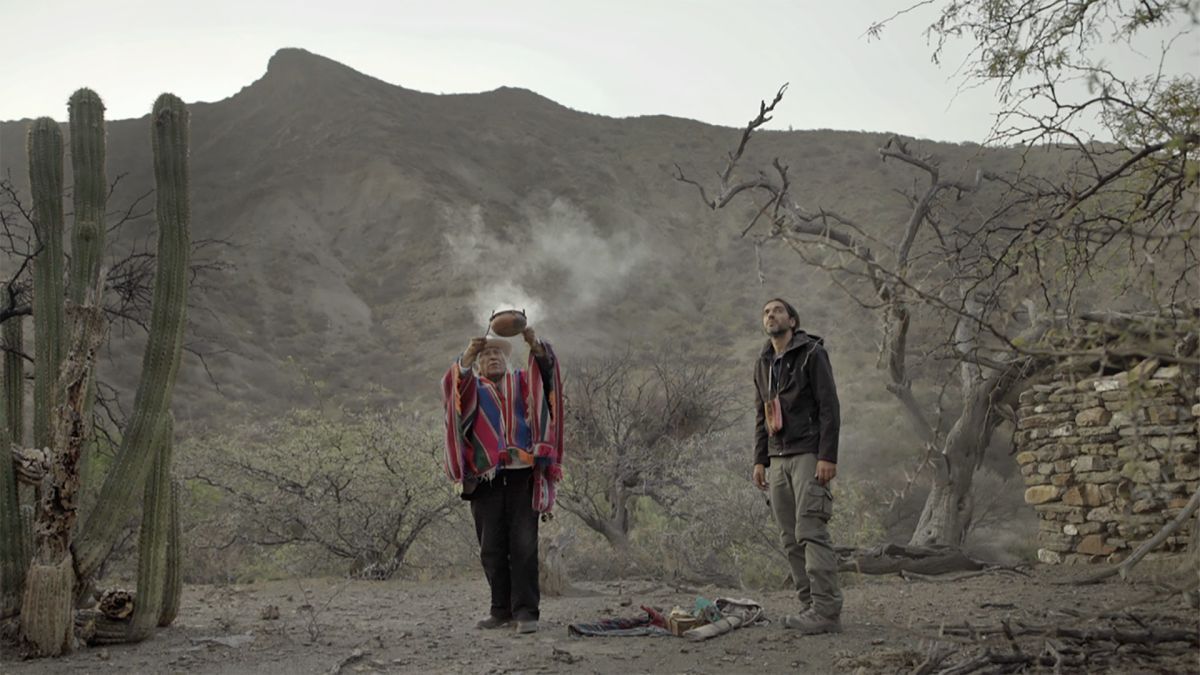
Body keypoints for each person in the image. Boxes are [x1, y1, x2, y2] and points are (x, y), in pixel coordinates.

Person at [442, 326, 563, 635]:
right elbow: (453, 388)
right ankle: (500, 610)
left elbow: (547, 378)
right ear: (479, 363)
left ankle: (526, 613)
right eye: (486, 355)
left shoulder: (523, 382)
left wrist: (535, 344)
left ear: (506, 359)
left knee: (523, 546)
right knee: (491, 548)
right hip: (485, 479)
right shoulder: (472, 388)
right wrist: (467, 355)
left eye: (497, 353)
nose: (493, 357)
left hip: (522, 475)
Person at [752, 298, 843, 634]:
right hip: (777, 457)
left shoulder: (812, 353)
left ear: (792, 320)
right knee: (789, 537)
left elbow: (829, 407)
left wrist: (827, 456)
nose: (770, 315)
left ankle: (826, 610)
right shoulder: (762, 363)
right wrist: (760, 459)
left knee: (811, 531)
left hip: (807, 453)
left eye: (777, 310)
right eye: (766, 312)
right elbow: (761, 414)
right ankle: (809, 607)